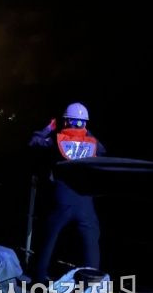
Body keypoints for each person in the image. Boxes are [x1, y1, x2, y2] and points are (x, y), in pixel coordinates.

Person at [28, 102, 106, 283]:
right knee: (91, 244)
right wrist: (86, 132)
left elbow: (34, 141)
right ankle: (92, 283)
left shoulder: (56, 141)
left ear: (65, 122)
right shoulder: (94, 144)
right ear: (85, 123)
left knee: (48, 239)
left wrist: (49, 127)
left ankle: (38, 280)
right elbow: (101, 151)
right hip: (85, 201)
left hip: (61, 199)